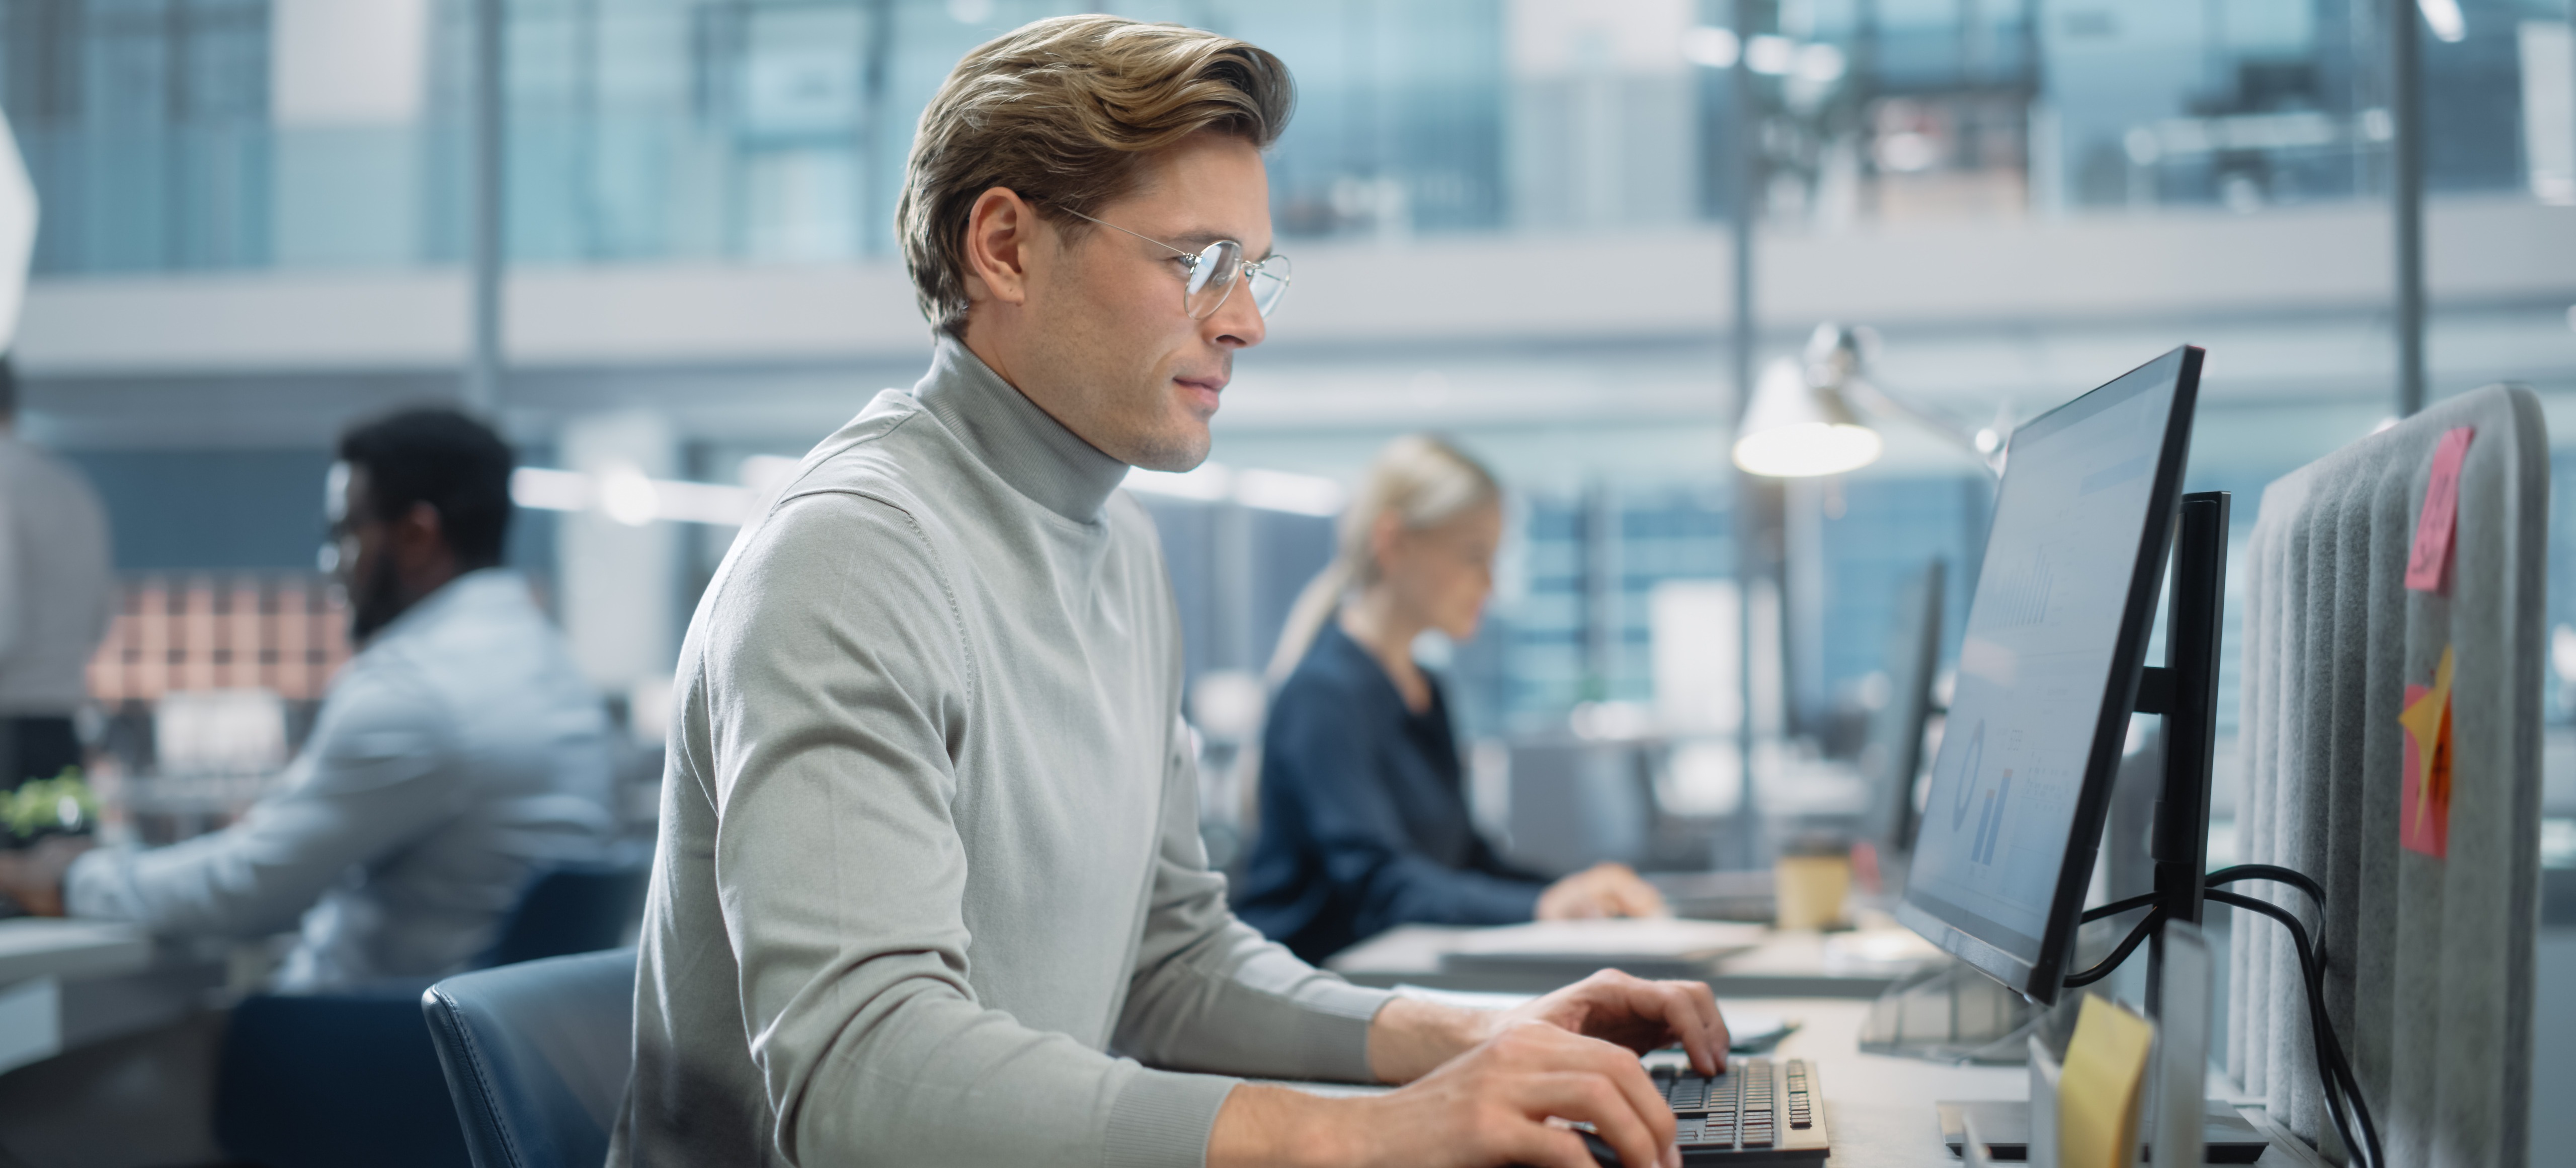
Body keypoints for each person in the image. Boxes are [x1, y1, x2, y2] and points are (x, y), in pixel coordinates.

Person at [613, 17, 1725, 1168]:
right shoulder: (851, 558)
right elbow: (862, 1080)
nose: (1242, 319)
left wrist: (1476, 1033)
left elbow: (1172, 961)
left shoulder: (1121, 549)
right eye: (1197, 262)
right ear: (1002, 246)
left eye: (1255, 274)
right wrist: (1366, 1130)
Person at [0, 408, 614, 991]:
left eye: (345, 533)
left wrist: (73, 878)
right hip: (470, 1041)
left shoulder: (419, 691)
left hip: (372, 1046)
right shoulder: (551, 670)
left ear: (417, 536)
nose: (332, 568)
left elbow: (244, 890)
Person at [1236, 436, 1666, 963]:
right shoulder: (1324, 695)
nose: (1489, 581)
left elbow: (1463, 860)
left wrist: (1575, 895)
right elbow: (1379, 886)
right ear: (1393, 542)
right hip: (1309, 995)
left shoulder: (1425, 688)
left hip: (1391, 977)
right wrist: (1545, 904)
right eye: (1473, 554)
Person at [0, 358, 113, 793]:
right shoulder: (71, 485)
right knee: (62, 856)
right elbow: (98, 620)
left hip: (10, 735)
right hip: (62, 727)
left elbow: (4, 627)